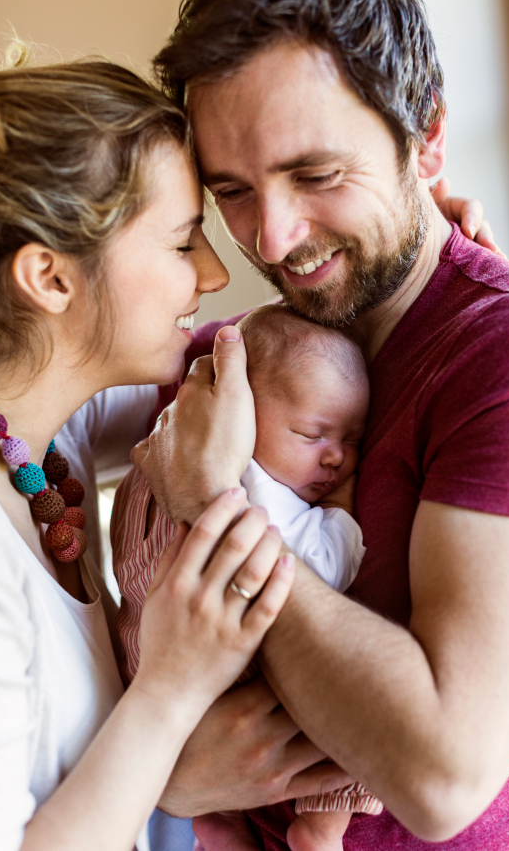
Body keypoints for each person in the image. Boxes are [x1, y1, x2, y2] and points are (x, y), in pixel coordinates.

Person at [132, 0, 509, 849]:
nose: (273, 236)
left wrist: (220, 504)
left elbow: (441, 772)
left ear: (428, 140)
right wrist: (168, 776)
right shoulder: (258, 348)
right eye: (233, 192)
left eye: (318, 174)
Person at [0, 54, 296, 851]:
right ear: (51, 279)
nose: (214, 271)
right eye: (181, 241)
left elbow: (243, 360)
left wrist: (421, 259)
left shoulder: (52, 428)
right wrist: (173, 686)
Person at [112, 303, 375, 851]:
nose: (335, 459)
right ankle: (322, 827)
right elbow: (325, 568)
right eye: (312, 434)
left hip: (144, 661)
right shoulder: (262, 492)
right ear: (242, 413)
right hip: (224, 684)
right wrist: (345, 508)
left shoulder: (167, 440)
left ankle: (218, 827)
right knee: (369, 708)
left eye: (352, 440)